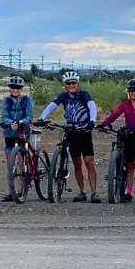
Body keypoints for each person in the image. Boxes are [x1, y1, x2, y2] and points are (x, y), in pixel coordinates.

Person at [37, 71, 100, 202]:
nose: (71, 85)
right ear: (65, 85)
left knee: (89, 162)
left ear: (78, 83)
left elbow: (92, 107)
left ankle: (94, 193)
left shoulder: (84, 95)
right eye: (68, 83)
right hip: (71, 131)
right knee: (77, 163)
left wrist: (92, 121)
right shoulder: (63, 96)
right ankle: (82, 192)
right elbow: (51, 106)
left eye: (73, 83)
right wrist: (42, 118)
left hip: (84, 130)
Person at [99, 79, 135, 203]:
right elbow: (114, 115)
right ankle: (128, 192)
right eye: (131, 91)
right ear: (128, 92)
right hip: (130, 137)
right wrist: (103, 124)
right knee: (129, 166)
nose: (133, 93)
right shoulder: (125, 105)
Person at [0, 76, 33, 202]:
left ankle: (21, 190)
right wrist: (10, 122)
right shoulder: (7, 100)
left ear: (21, 89)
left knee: (20, 161)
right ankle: (11, 191)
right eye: (13, 87)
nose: (15, 90)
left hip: (22, 131)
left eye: (17, 88)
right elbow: (4, 115)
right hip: (9, 133)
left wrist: (21, 122)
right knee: (10, 164)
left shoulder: (26, 100)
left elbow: (29, 115)